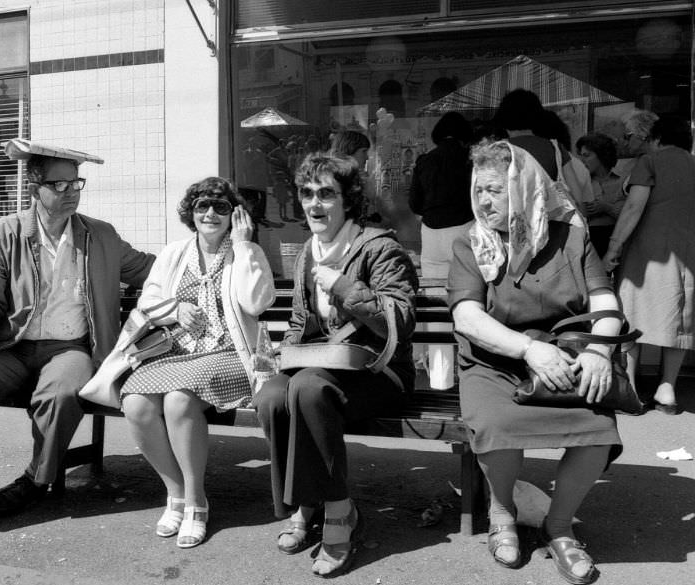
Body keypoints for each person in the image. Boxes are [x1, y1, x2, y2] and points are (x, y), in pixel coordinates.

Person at [0, 140, 156, 542]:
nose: (71, 191)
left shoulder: (101, 236)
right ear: (34, 186)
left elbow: (150, 270)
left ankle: (35, 480)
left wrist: (212, 251)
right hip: (12, 347)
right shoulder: (1, 234)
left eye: (77, 183)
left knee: (63, 390)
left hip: (70, 348)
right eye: (60, 185)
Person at [448, 140, 622, 585]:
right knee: (498, 424)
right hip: (494, 362)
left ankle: (559, 527)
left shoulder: (571, 237)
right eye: (479, 189)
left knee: (596, 428)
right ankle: (502, 512)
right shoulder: (471, 243)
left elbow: (604, 299)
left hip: (563, 358)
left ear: (524, 189)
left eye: (495, 190)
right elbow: (467, 316)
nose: (483, 200)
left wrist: (600, 351)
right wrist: (528, 349)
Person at [254, 152, 418, 578]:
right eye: (307, 194)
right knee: (272, 394)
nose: (314, 204)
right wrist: (282, 354)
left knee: (308, 388)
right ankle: (308, 501)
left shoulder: (380, 247)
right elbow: (298, 322)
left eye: (326, 194)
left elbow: (399, 323)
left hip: (379, 372)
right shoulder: (309, 250)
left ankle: (341, 511)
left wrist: (345, 286)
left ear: (348, 200)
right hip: (323, 367)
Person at [120, 177, 275, 548]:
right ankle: (174, 494)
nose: (210, 214)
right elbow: (148, 301)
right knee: (135, 402)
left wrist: (245, 246)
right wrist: (175, 309)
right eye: (202, 206)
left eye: (221, 207)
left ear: (234, 215)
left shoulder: (245, 251)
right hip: (177, 353)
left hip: (230, 354)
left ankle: (196, 502)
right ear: (191, 213)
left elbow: (257, 303)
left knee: (178, 400)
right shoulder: (175, 253)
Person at [603, 115, 695, 415]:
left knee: (633, 313)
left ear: (656, 138)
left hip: (648, 251)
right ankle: (667, 388)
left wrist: (613, 250)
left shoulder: (650, 162)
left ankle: (630, 388)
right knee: (680, 317)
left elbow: (632, 208)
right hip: (689, 253)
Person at [408, 111, 474, 280]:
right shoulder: (470, 159)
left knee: (434, 287)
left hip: (431, 232)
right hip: (466, 227)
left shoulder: (425, 160)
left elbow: (415, 203)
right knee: (468, 285)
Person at [493, 89, 586, 206]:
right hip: (549, 221)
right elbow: (578, 200)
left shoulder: (495, 151)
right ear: (538, 116)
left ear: (503, 117)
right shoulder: (555, 148)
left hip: (510, 221)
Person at [575, 133, 626, 258]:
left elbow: (630, 214)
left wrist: (606, 207)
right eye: (580, 156)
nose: (582, 161)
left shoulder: (621, 181)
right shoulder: (579, 182)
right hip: (588, 241)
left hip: (617, 240)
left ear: (602, 156)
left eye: (586, 156)